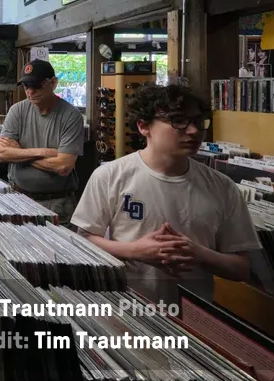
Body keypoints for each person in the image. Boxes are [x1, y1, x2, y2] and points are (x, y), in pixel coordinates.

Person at [70, 84, 260, 303]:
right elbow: (82, 241)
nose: (193, 131)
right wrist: (134, 251)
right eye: (178, 121)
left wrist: (196, 253)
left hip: (194, 315)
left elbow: (241, 268)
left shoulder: (222, 186)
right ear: (144, 127)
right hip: (126, 307)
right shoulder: (110, 176)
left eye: (198, 122)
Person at [0, 59, 85, 223]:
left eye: (36, 85)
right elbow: (2, 154)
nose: (30, 91)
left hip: (56, 204)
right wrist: (43, 152)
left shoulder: (71, 116)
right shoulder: (17, 111)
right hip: (18, 199)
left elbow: (63, 166)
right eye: (26, 86)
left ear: (53, 83)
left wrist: (20, 154)